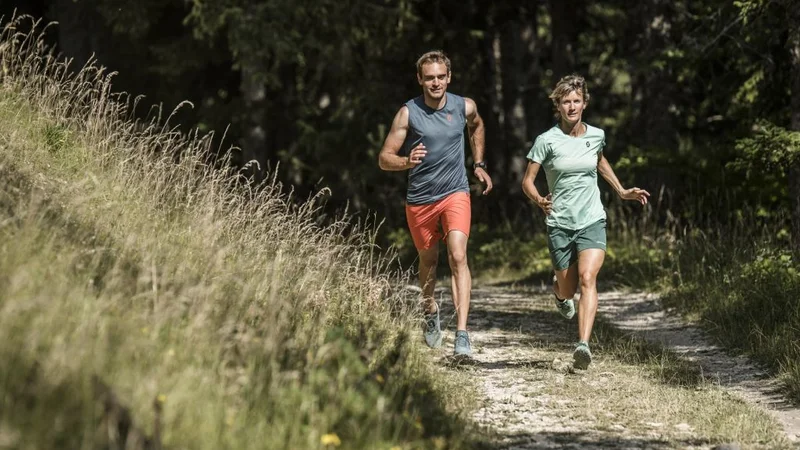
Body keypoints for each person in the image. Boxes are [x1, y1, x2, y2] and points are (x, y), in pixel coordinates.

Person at [521, 74, 649, 369]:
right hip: (560, 223)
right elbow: (527, 181)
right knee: (569, 289)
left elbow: (599, 160)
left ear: (585, 103)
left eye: (576, 101)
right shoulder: (547, 140)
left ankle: (582, 346)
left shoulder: (597, 135)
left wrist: (621, 190)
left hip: (592, 219)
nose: (571, 106)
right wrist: (540, 200)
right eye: (566, 102)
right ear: (558, 106)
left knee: (589, 278)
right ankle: (558, 292)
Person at [378, 50, 492, 356]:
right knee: (429, 261)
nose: (436, 83)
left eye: (441, 77)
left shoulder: (463, 106)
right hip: (420, 200)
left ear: (449, 77)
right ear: (420, 79)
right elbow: (384, 158)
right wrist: (405, 161)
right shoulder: (408, 113)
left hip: (456, 192)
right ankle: (429, 311)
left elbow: (477, 126)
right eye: (429, 78)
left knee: (458, 255)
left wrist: (478, 163)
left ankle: (463, 334)